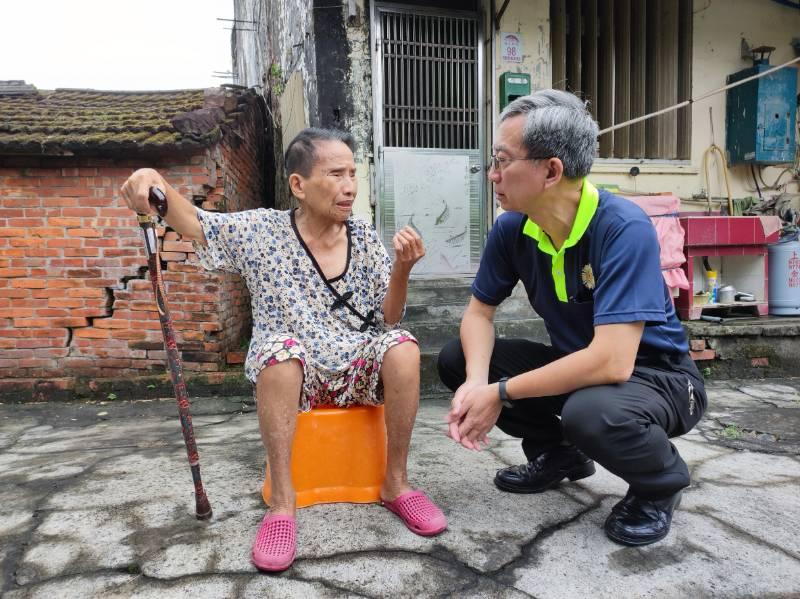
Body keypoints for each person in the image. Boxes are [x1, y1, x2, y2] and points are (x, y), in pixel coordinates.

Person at [121, 127, 446, 572]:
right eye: (336, 174)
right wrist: (149, 176)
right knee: (279, 352)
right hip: (295, 375)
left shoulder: (366, 238)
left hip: (354, 370)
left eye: (353, 173)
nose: (349, 186)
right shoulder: (263, 231)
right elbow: (197, 223)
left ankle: (396, 484)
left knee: (403, 346)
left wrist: (403, 269)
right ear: (299, 185)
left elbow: (388, 319)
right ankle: (283, 505)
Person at [437, 90, 706, 547]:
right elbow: (479, 315)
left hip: (660, 379)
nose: (493, 174)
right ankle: (558, 456)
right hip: (584, 368)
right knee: (456, 358)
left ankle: (660, 483)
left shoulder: (622, 228)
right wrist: (478, 381)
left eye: (502, 161)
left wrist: (499, 393)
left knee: (592, 412)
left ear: (552, 170)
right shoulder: (513, 228)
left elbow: (613, 363)